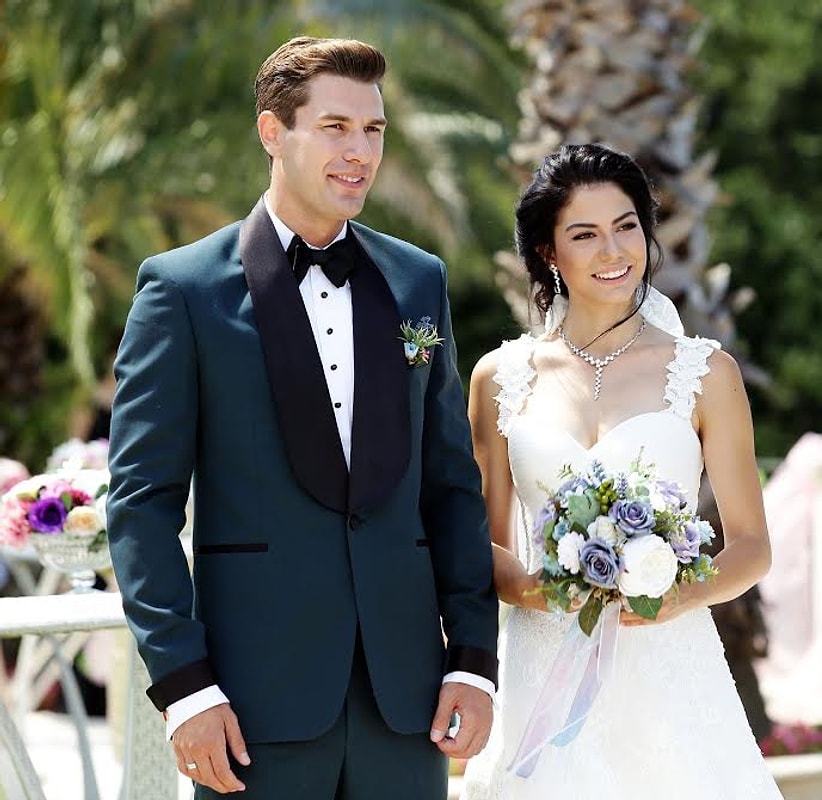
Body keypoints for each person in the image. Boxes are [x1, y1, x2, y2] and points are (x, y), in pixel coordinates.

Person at [106, 37, 498, 798]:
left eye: (373, 130)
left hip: (408, 705)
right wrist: (184, 685)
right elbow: (141, 504)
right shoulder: (182, 291)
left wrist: (474, 661)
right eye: (335, 128)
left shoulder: (419, 281)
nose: (360, 153)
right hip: (248, 704)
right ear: (272, 132)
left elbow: (451, 485)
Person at [462, 143, 783, 798]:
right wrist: (534, 589)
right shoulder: (499, 378)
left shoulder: (706, 373)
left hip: (669, 667)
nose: (613, 251)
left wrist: (676, 595)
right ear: (549, 252)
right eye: (585, 234)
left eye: (626, 226)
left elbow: (752, 547)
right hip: (539, 667)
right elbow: (482, 543)